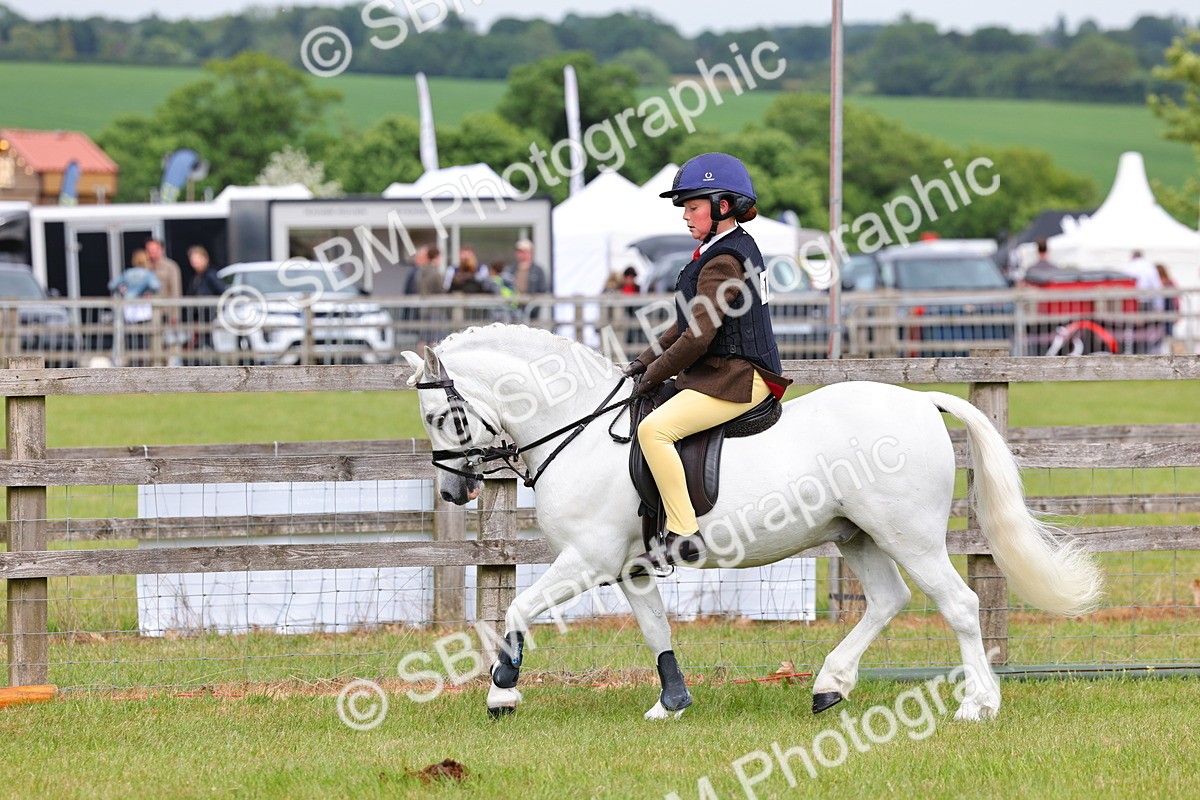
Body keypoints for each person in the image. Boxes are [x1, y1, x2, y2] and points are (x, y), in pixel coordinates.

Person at [625, 153, 792, 567]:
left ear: (723, 206)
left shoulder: (723, 261)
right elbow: (684, 323)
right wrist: (642, 363)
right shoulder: (724, 249)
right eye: (684, 207)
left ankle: (685, 533)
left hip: (738, 377)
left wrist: (653, 377)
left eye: (693, 206)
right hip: (726, 372)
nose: (685, 214)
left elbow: (697, 339)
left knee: (653, 431)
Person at [186, 246, 224, 354]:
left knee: (210, 339)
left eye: (197, 259)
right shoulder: (196, 277)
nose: (195, 263)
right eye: (193, 260)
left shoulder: (210, 275)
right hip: (200, 315)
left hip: (209, 315)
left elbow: (222, 291)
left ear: (205, 259)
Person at [503, 239, 549, 321]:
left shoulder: (538, 270)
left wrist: (534, 304)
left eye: (524, 251)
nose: (521, 254)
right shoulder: (510, 269)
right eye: (519, 251)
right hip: (512, 310)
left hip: (531, 311)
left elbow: (543, 289)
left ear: (531, 253)